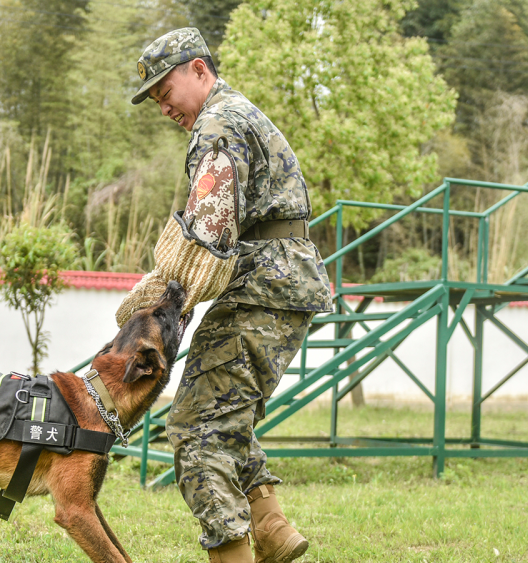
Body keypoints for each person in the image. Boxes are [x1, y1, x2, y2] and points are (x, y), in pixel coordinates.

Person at [114, 28, 334, 563]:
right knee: (223, 415)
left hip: (263, 289)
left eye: (165, 91)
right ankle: (271, 525)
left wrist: (159, 300)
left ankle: (234, 552)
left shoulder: (217, 124)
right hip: (276, 284)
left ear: (197, 69)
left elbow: (209, 232)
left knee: (195, 425)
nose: (163, 106)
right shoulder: (236, 112)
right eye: (155, 101)